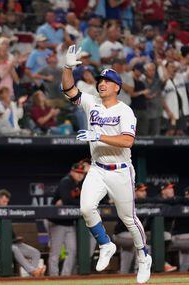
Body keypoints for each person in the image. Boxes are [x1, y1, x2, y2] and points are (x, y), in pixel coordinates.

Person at [61, 45, 151, 284]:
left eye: (107, 81)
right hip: (98, 168)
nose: (102, 83)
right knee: (86, 208)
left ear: (117, 87)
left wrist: (98, 136)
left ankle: (144, 257)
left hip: (120, 171)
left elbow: (127, 141)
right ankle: (105, 244)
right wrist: (68, 67)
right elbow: (69, 90)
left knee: (128, 218)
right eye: (100, 80)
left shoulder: (125, 111)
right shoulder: (92, 102)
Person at [0, 189, 46, 277]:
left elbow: (9, 233)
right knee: (14, 248)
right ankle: (33, 271)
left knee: (36, 253)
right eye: (4, 201)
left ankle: (32, 277)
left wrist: (15, 238)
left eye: (7, 202)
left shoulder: (5, 211)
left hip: (12, 243)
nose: (5, 204)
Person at [48, 163, 85, 276]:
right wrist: (79, 203)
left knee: (73, 250)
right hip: (57, 222)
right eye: (77, 173)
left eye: (81, 173)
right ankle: (54, 277)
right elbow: (67, 200)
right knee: (56, 252)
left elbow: (71, 201)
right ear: (72, 172)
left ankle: (65, 276)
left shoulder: (79, 185)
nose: (79, 175)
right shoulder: (66, 181)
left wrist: (77, 202)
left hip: (69, 222)